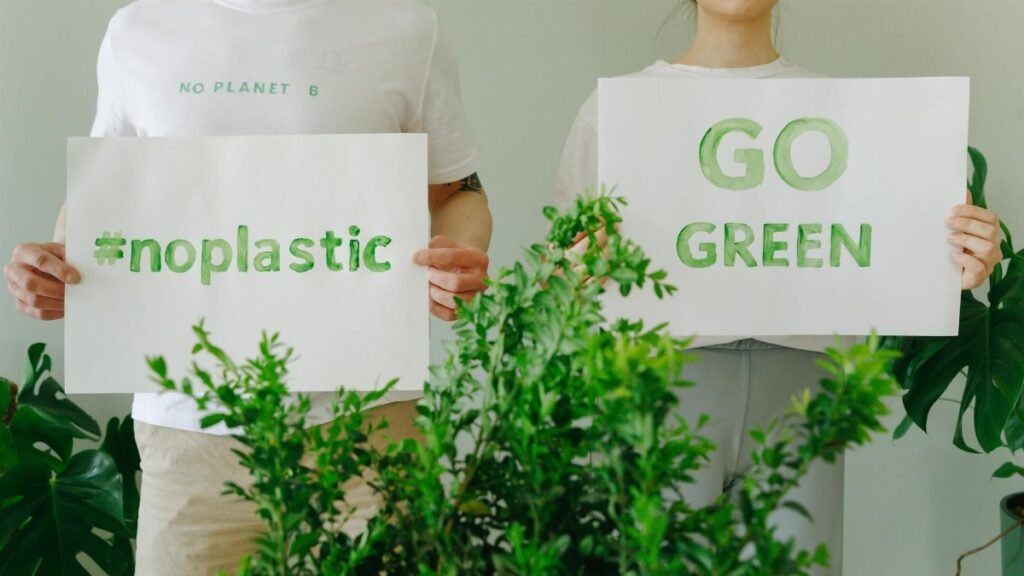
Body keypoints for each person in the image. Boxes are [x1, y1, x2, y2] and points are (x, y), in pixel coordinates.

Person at [3, 0, 492, 573]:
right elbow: (108, 193)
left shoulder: (405, 26)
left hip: (368, 427)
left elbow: (459, 188)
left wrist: (460, 259)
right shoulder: (138, 30)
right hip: (187, 438)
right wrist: (59, 269)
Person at [554, 1, 1003, 574]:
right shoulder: (615, 109)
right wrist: (577, 263)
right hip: (656, 380)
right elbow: (562, 270)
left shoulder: (855, 115)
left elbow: (899, 248)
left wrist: (960, 254)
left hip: (802, 387)